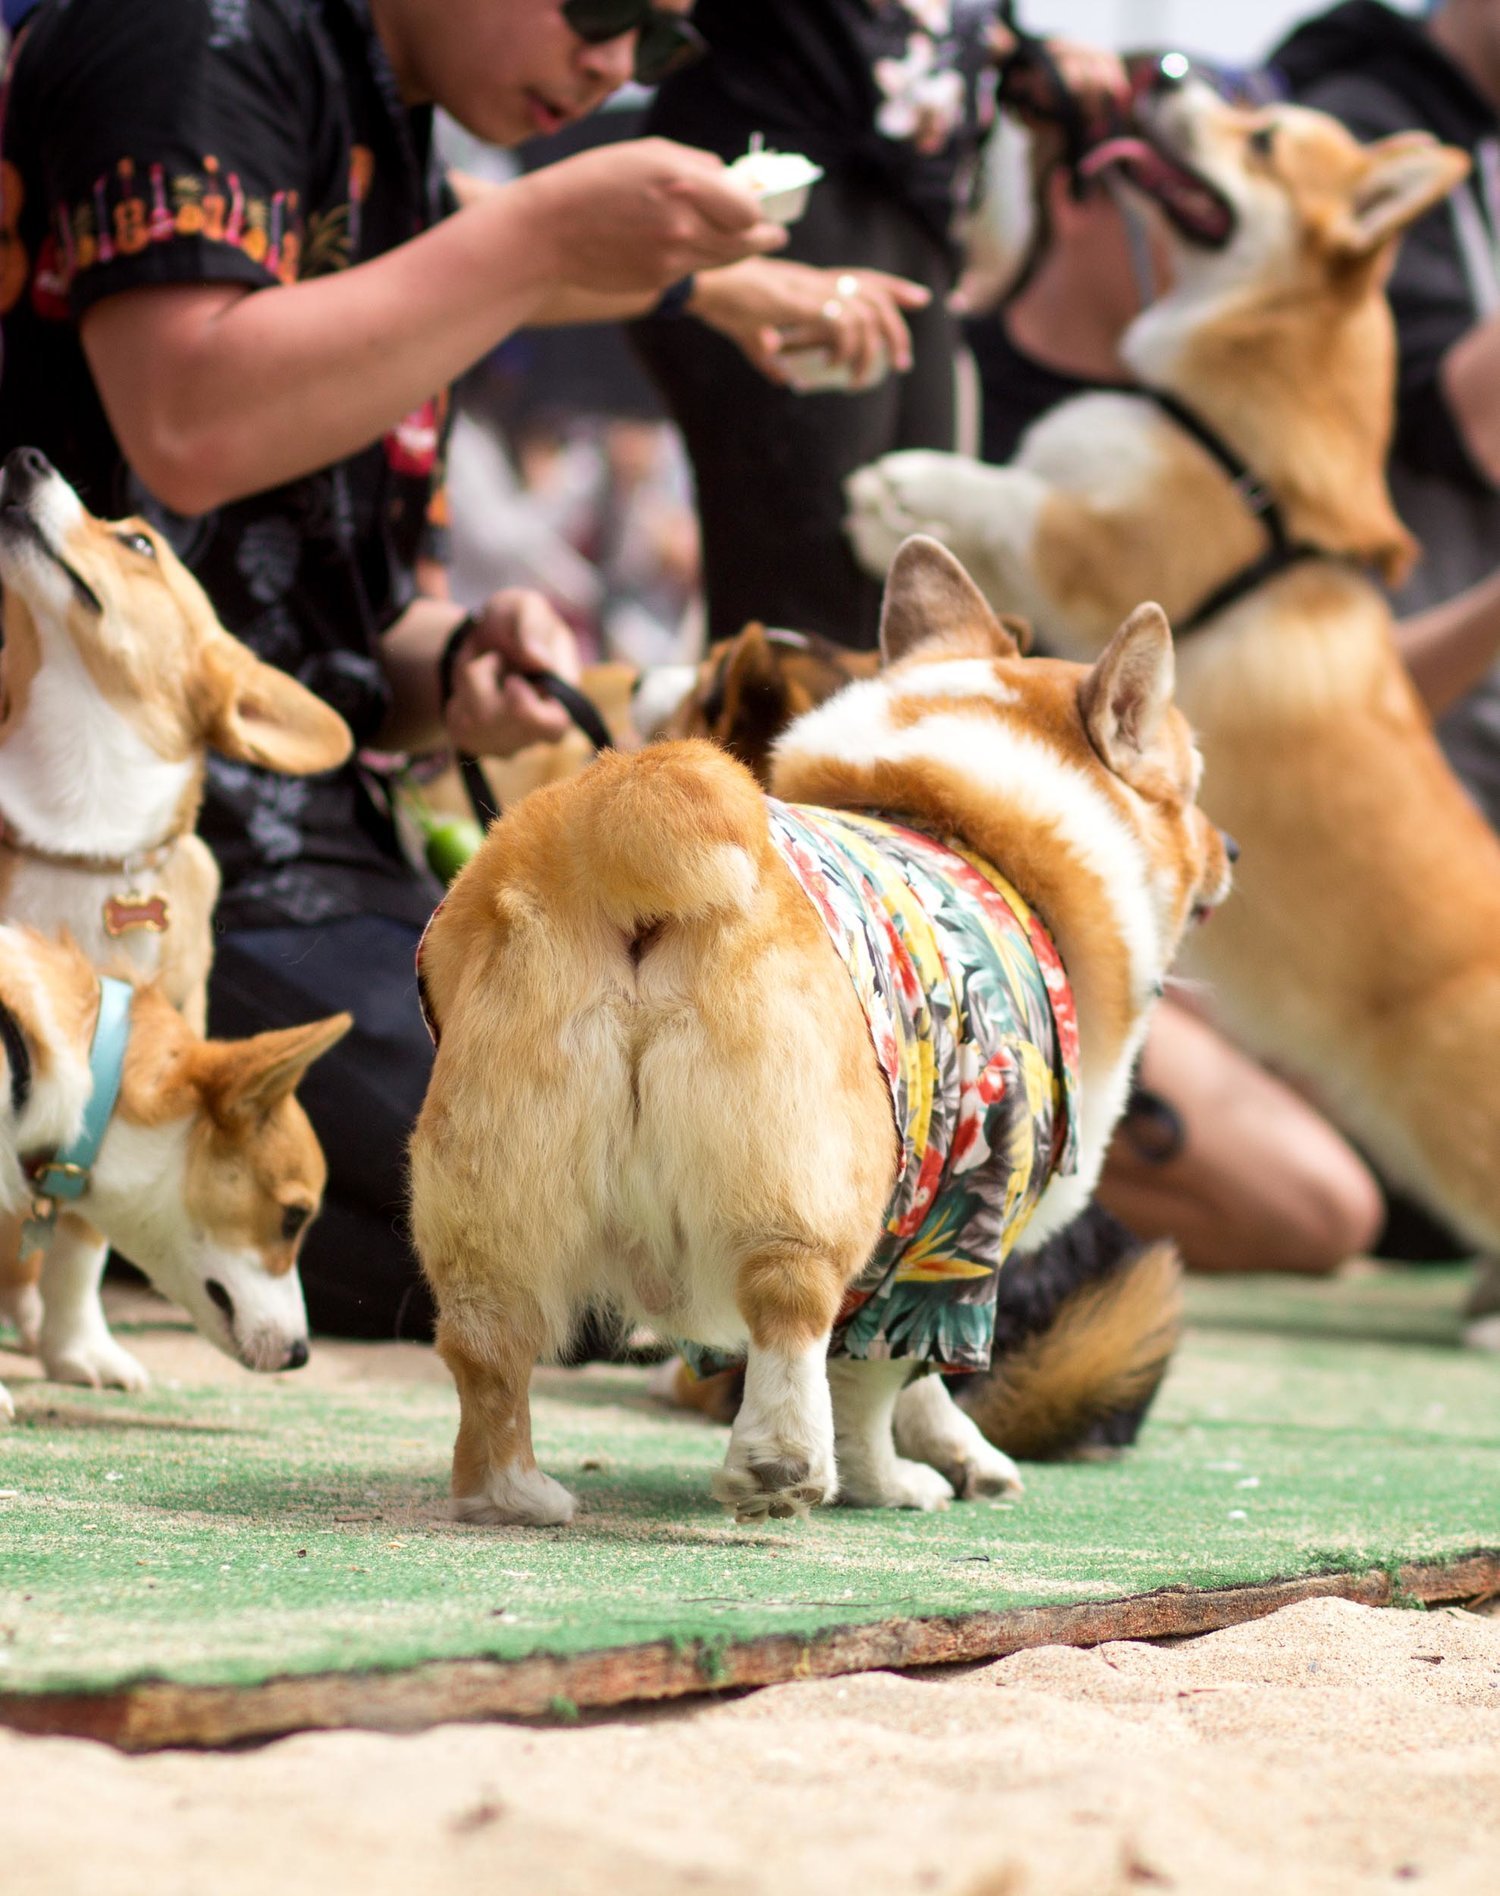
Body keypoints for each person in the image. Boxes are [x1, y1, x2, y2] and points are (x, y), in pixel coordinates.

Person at [0, 0, 929, 1338]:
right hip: (109, 873)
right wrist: (536, 238)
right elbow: (190, 422)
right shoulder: (185, 34)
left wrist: (463, 664)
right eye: (608, 11)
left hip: (292, 858)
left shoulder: (402, 140)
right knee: (593, 1246)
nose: (618, 66)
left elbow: (342, 624)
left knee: (743, 1171)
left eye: (661, 47)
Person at [631, 1, 1128, 651]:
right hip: (781, 194)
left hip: (914, 224)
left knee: (916, 608)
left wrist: (1017, 57)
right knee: (808, 620)